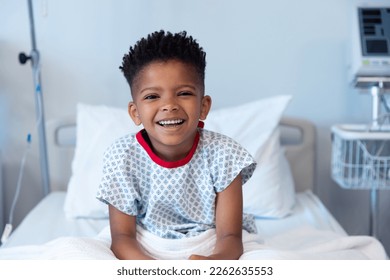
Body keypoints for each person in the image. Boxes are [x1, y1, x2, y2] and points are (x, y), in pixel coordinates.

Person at [96, 30, 256, 260]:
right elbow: (122, 238)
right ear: (135, 112)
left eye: (183, 93)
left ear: (203, 106)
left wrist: (214, 263)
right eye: (152, 97)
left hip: (211, 241)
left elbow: (230, 237)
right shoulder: (122, 156)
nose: (169, 105)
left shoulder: (225, 154)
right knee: (73, 255)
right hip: (144, 242)